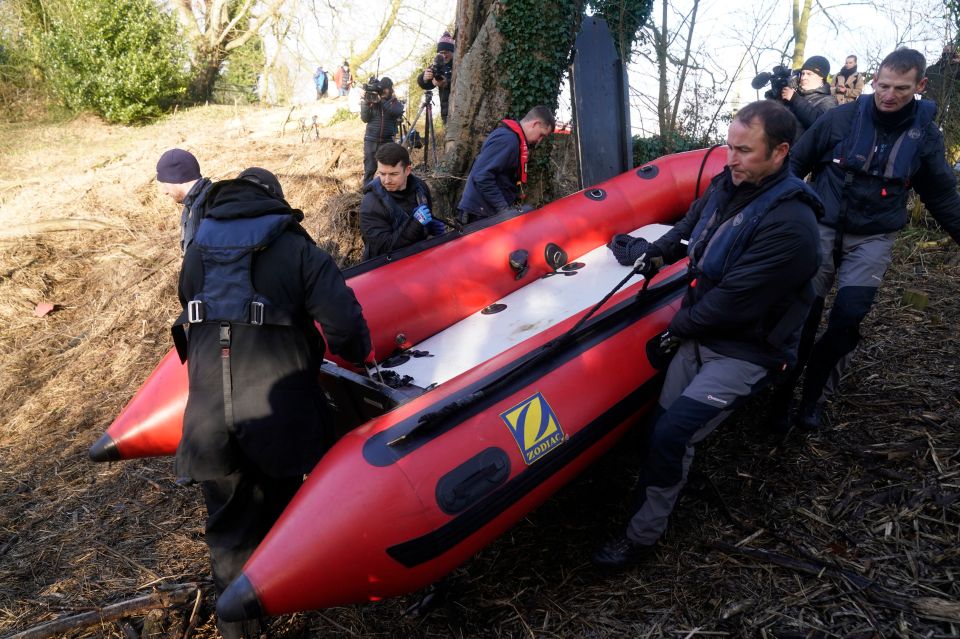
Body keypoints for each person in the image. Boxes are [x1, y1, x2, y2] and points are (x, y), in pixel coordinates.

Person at [592, 100, 822, 569]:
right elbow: (689, 226)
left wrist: (673, 330)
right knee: (660, 429)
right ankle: (670, 480)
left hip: (747, 350)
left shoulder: (793, 224)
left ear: (780, 152)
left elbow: (734, 299)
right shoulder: (728, 183)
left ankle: (641, 538)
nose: (731, 158)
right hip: (704, 332)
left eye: (744, 150)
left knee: (674, 431)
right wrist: (653, 254)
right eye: (729, 146)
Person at [171, 168, 372, 639]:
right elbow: (343, 324)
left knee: (228, 526)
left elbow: (188, 305)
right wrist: (361, 356)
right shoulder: (297, 248)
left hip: (207, 417)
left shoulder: (197, 250)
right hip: (280, 413)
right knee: (285, 509)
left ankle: (239, 625)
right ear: (274, 202)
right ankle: (286, 592)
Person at [771, 48, 960, 432]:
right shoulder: (839, 119)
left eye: (902, 89)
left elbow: (940, 194)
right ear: (874, 81)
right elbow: (794, 166)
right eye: (884, 85)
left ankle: (814, 398)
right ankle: (780, 395)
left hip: (873, 235)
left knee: (847, 319)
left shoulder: (925, 136)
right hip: (823, 224)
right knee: (803, 314)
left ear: (920, 86)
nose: (890, 95)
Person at [457, 106, 556, 224]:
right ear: (535, 124)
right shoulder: (507, 139)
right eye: (541, 135)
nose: (539, 141)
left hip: (486, 212)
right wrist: (504, 210)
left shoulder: (514, 140)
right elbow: (482, 175)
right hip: (479, 214)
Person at [360, 143, 445, 259]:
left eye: (393, 174)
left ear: (408, 170)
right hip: (385, 267)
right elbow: (384, 248)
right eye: (382, 173)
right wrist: (416, 223)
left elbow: (422, 221)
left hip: (419, 256)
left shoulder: (420, 188)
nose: (387, 180)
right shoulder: (371, 203)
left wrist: (429, 228)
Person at [156, 148, 213, 253]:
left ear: (177, 178)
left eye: (165, 184)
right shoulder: (191, 206)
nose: (164, 192)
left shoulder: (211, 204)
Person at [360, 76, 404, 186]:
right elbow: (365, 118)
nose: (385, 91)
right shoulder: (372, 101)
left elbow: (396, 111)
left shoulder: (394, 103)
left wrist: (381, 101)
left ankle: (386, 192)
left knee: (387, 169)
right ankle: (368, 194)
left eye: (387, 89)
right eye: (384, 89)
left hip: (387, 141)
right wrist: (365, 102)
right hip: (371, 140)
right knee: (369, 170)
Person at [780, 55, 838, 136]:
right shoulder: (794, 93)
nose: (803, 77)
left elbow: (820, 123)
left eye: (809, 74)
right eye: (802, 73)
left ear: (821, 76)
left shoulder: (829, 100)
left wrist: (795, 99)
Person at [417, 31, 455, 125]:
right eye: (441, 53)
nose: (444, 55)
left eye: (447, 52)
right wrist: (425, 78)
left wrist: (446, 83)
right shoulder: (437, 65)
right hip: (446, 113)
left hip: (461, 110)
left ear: (453, 52)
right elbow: (422, 82)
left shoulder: (459, 63)